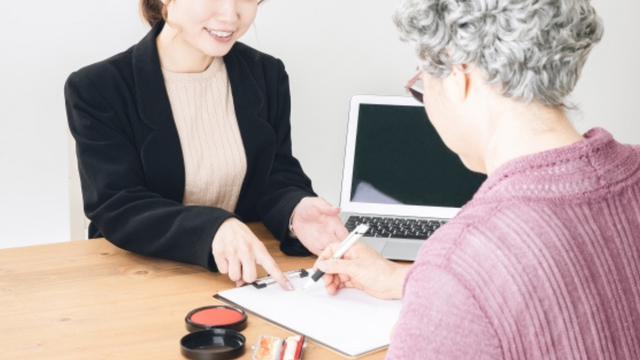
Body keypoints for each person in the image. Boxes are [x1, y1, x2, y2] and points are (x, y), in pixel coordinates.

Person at [315, 0, 640, 358]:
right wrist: (408, 282)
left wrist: (423, 330)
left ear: (458, 75)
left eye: (422, 83)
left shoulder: (460, 260)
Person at [65, 0, 348, 290]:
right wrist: (214, 228)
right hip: (139, 275)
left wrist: (295, 210)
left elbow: (275, 173)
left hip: (242, 276)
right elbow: (117, 204)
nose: (230, 14)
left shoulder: (266, 73)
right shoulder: (97, 88)